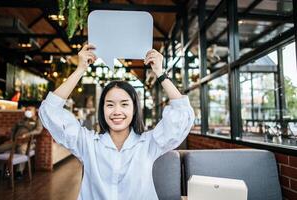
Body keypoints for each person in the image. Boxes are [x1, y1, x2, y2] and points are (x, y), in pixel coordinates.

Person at [38, 44, 195, 200]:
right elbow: (50, 111)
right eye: (110, 104)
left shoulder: (149, 143)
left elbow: (182, 114)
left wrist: (160, 73)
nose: (117, 111)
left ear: (134, 110)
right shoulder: (87, 144)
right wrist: (80, 70)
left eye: (124, 104)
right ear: (103, 109)